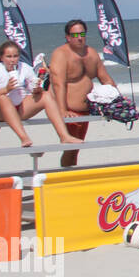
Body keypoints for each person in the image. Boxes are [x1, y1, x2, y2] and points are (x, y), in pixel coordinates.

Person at [0, 41, 81, 150]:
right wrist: (6, 89)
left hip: (18, 109)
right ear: (1, 57)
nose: (12, 60)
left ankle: (64, 136)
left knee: (45, 96)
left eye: (15, 56)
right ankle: (24, 138)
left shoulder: (24, 67)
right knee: (3, 99)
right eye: (8, 57)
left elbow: (33, 89)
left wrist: (37, 89)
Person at [48, 20, 117, 168]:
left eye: (82, 34)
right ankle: (66, 178)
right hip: (69, 110)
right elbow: (58, 84)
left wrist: (119, 101)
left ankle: (70, 176)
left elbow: (105, 78)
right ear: (68, 37)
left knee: (76, 149)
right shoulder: (61, 54)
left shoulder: (91, 53)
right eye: (75, 35)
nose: (79, 38)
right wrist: (62, 110)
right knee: (70, 149)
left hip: (85, 110)